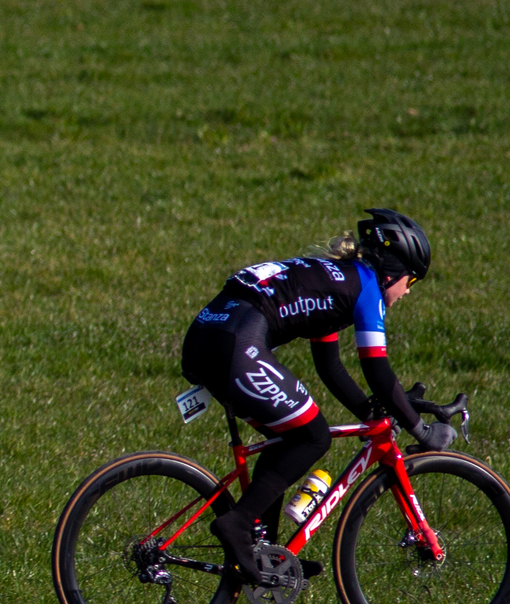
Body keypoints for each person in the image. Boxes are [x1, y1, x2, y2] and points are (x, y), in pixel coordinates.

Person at [179, 207, 453, 583]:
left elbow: (330, 367)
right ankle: (237, 524)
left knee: (288, 436)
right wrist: (421, 431)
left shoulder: (334, 280)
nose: (407, 292)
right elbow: (376, 368)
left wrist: (371, 411)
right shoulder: (367, 288)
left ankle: (264, 556)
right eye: (411, 281)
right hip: (235, 342)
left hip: (209, 337)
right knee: (312, 435)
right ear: (393, 270)